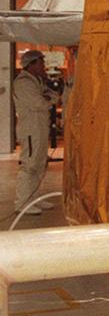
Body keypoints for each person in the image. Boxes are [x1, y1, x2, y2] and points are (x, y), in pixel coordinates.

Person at [13, 49, 55, 215]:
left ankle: (34, 198)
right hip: (30, 130)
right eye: (41, 62)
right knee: (29, 165)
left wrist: (48, 98)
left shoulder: (36, 80)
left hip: (40, 128)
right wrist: (48, 99)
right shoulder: (23, 82)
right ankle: (22, 202)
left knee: (39, 164)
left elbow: (52, 95)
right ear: (32, 64)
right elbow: (39, 103)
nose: (43, 66)